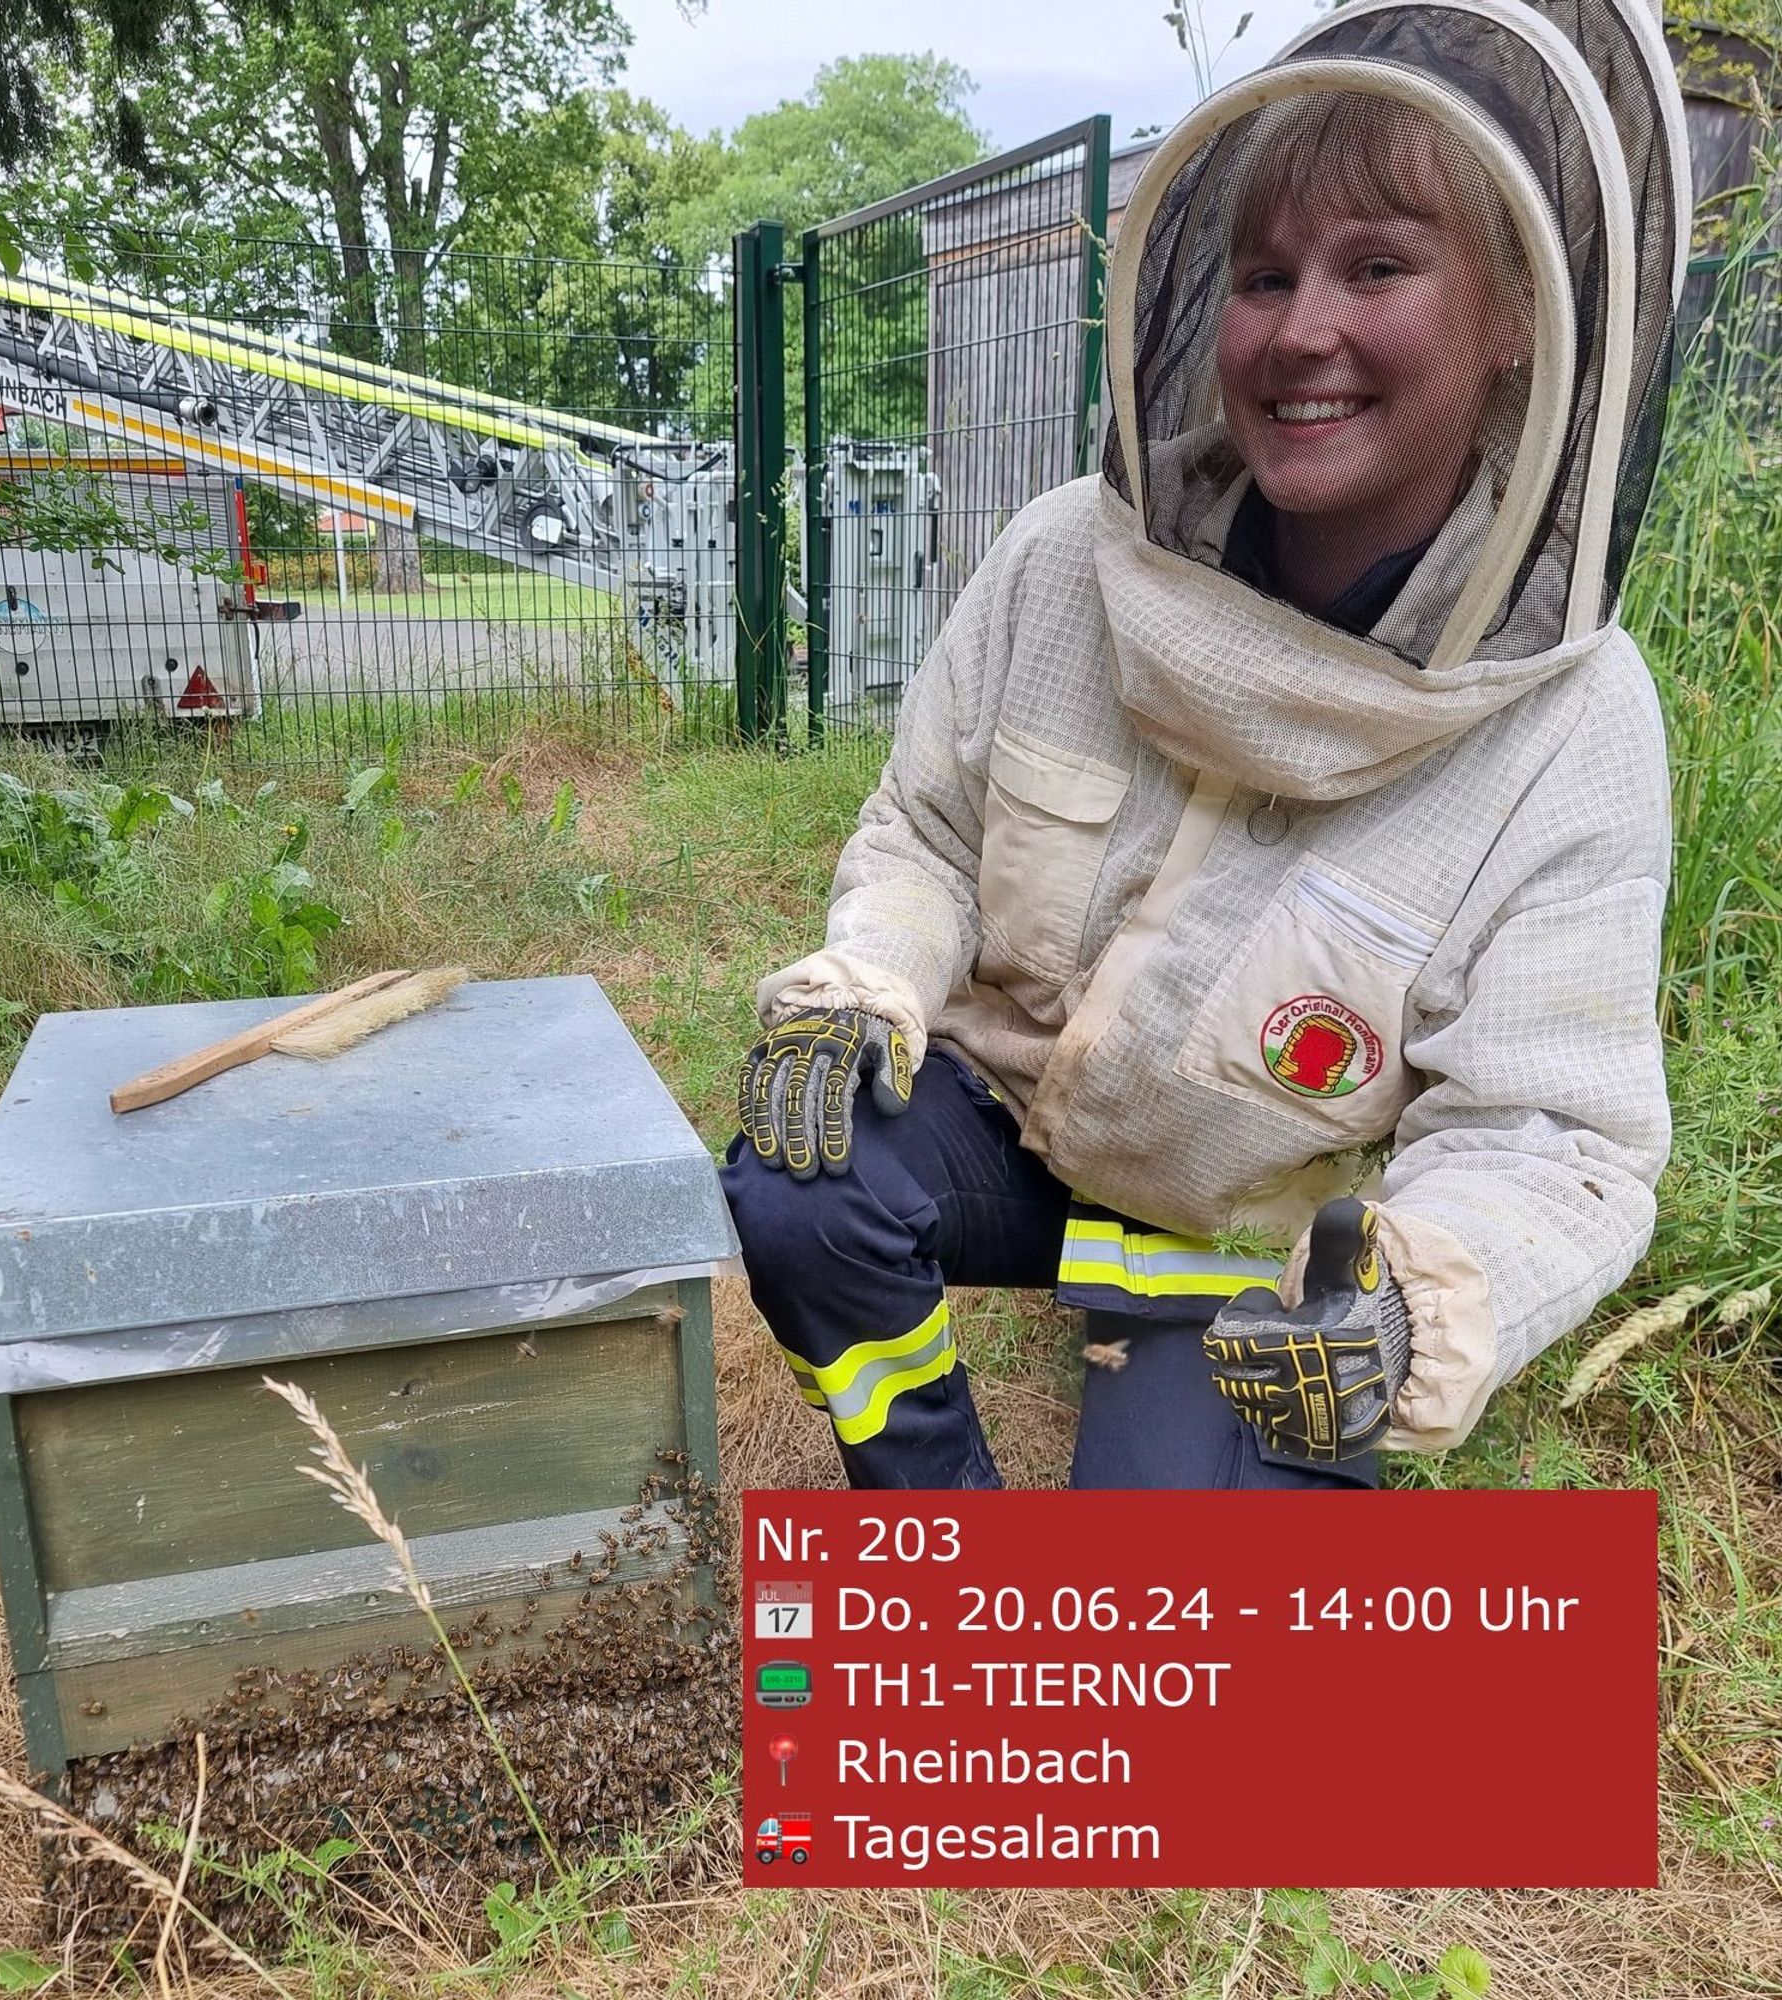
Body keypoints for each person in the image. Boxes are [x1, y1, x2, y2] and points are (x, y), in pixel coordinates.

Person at [720, 0, 1690, 1491]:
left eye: (1378, 266)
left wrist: (1412, 1299)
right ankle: (942, 1528)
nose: (1304, 329)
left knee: (1187, 1672)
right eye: (1263, 274)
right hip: (1006, 1135)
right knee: (804, 1172)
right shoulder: (1062, 564)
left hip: (1250, 1236)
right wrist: (870, 979)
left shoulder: (1574, 726)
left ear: (1517, 322)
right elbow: (926, 841)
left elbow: (1551, 1131)